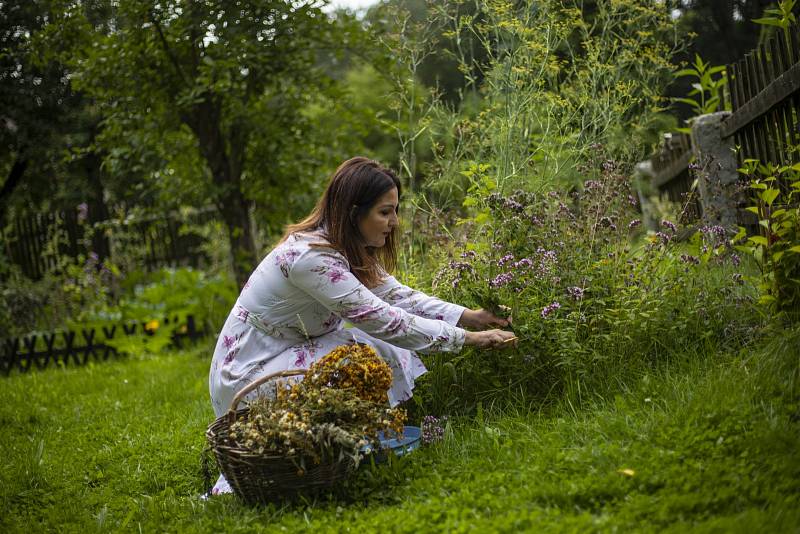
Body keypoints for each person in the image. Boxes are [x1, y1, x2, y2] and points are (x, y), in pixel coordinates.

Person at [207, 156, 515, 495]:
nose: (394, 222)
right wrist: (469, 338)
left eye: (395, 210)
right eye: (385, 212)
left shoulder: (345, 247)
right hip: (248, 371)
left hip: (286, 350)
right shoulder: (312, 258)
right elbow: (385, 320)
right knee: (362, 357)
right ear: (354, 212)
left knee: (378, 349)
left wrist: (469, 316)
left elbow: (399, 297)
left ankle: (361, 446)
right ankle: (323, 456)